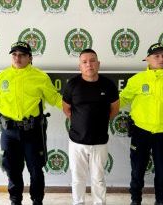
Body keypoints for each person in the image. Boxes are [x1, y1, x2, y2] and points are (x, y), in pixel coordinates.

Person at [0, 41, 62, 205]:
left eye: (22, 55)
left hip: (33, 132)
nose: (17, 58)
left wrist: (73, 109)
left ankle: (37, 200)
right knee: (12, 169)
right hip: (9, 133)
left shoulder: (40, 77)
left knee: (36, 169)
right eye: (14, 54)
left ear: (30, 58)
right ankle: (15, 200)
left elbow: (55, 99)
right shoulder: (2, 77)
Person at [119, 43, 163, 205]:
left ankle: (161, 200)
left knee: (162, 171)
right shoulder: (137, 80)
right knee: (137, 170)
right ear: (147, 59)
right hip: (140, 132)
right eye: (156, 56)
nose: (161, 58)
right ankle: (135, 199)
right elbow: (122, 100)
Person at [62, 48, 119, 205]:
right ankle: (78, 202)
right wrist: (81, 121)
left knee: (98, 179)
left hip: (99, 142)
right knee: (77, 179)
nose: (89, 64)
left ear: (98, 64)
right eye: (84, 62)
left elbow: (114, 109)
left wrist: (98, 121)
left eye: (92, 61)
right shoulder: (72, 85)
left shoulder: (108, 85)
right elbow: (66, 108)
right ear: (80, 66)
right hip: (77, 142)